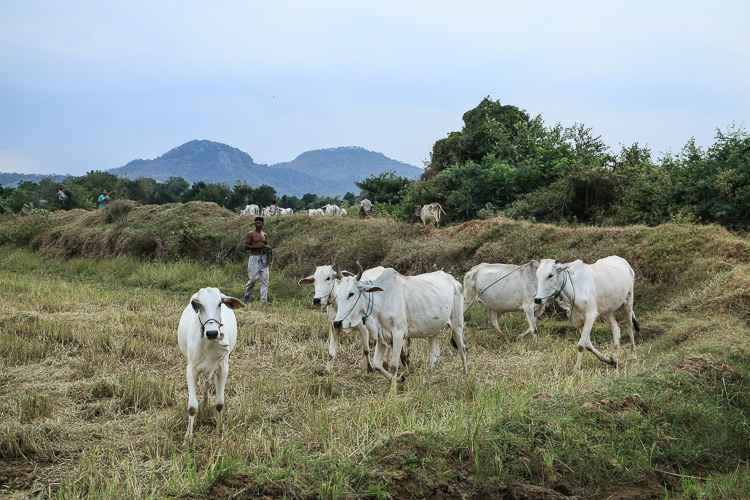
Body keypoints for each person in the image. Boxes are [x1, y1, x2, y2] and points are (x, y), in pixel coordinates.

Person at [244, 216, 271, 305]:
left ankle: (264, 300)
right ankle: (247, 296)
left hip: (263, 258)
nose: (258, 224)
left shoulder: (264, 235)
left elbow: (266, 244)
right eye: (257, 223)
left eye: (260, 223)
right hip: (254, 258)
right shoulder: (251, 234)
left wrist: (267, 247)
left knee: (265, 279)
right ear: (254, 224)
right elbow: (246, 246)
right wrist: (256, 247)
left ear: (263, 224)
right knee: (253, 279)